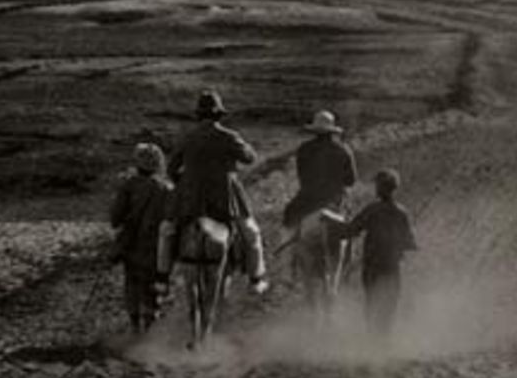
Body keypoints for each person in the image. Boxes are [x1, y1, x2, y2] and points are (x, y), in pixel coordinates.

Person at [167, 90, 263, 344]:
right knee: (252, 234)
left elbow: (171, 169)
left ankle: (161, 274)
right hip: (224, 204)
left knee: (168, 231)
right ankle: (256, 277)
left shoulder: (187, 138)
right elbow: (250, 158)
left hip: (191, 205)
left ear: (199, 115)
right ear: (219, 115)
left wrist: (186, 183)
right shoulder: (229, 136)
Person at [280, 110, 357, 314]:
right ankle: (344, 271)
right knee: (348, 229)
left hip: (308, 205)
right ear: (332, 131)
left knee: (288, 219)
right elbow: (351, 180)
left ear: (315, 131)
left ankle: (287, 269)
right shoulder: (343, 149)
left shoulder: (304, 150)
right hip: (334, 205)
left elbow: (302, 177)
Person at [339, 168, 418, 335]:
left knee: (372, 305)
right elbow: (410, 243)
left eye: (377, 185)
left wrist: (332, 223)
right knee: (389, 308)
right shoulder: (401, 213)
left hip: (373, 266)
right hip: (392, 267)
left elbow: (350, 230)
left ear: (380, 188)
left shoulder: (372, 210)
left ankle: (373, 340)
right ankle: (384, 340)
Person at [108, 142, 174, 332]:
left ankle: (135, 326)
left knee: (132, 283)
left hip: (132, 244)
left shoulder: (129, 186)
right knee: (152, 286)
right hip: (157, 248)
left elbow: (115, 219)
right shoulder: (167, 188)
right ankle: (150, 328)